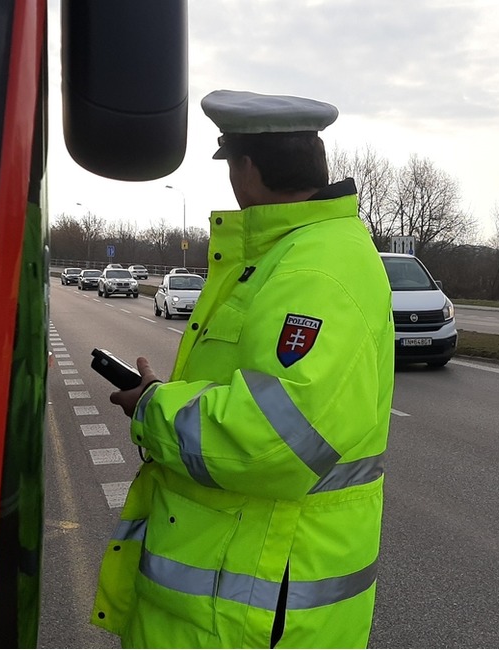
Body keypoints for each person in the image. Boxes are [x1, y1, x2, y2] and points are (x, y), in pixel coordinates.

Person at [92, 90, 395, 648]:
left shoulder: (313, 269)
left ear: (247, 168)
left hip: (249, 608)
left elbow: (274, 440)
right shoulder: (291, 254)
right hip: (240, 586)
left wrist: (153, 407)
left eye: (231, 164)